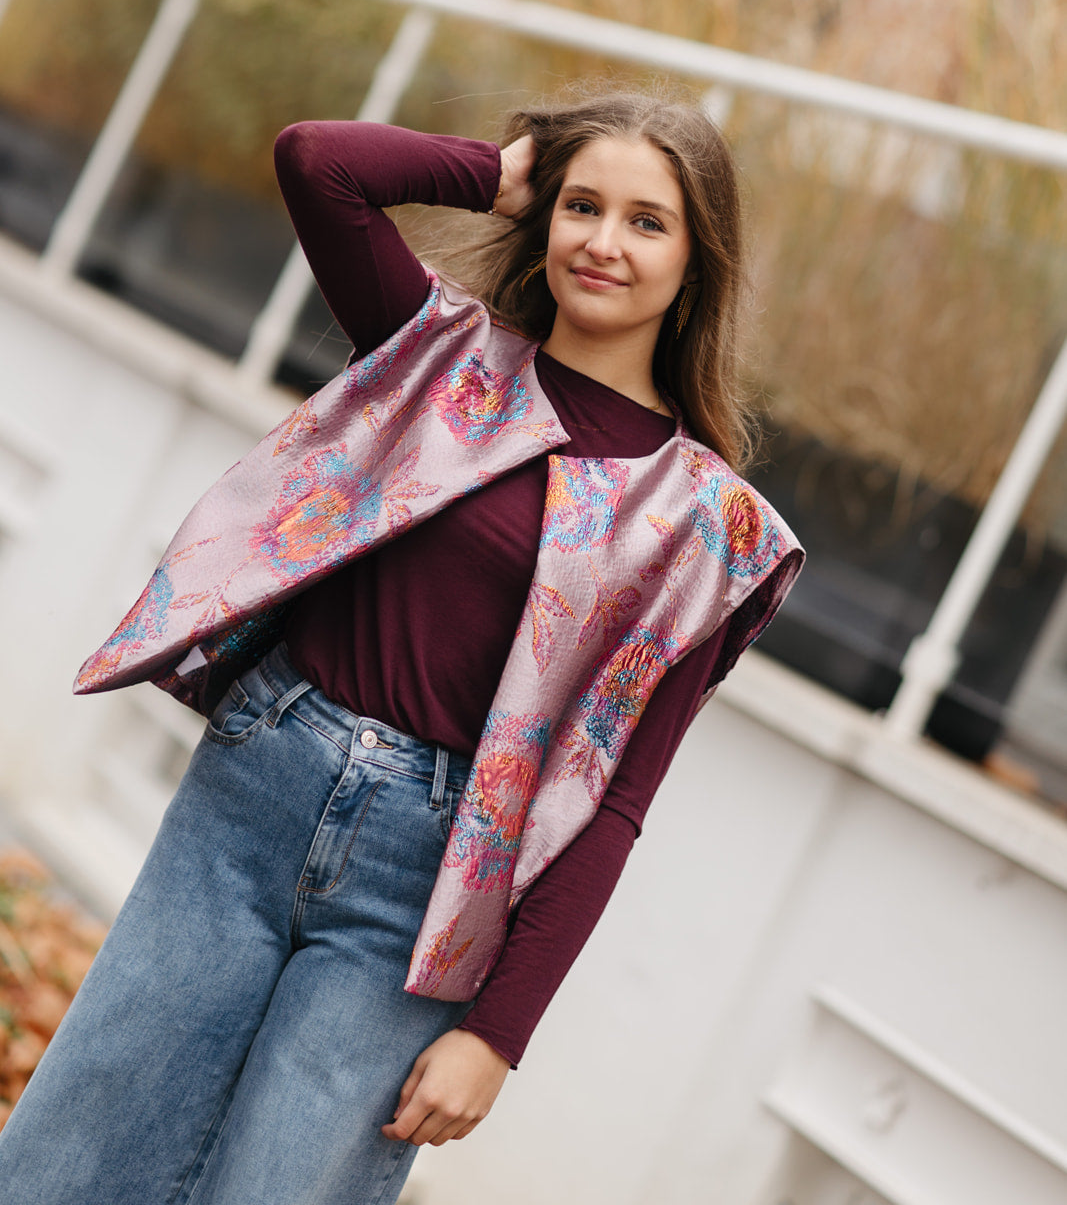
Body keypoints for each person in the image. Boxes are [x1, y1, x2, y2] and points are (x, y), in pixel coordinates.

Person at [0, 92, 802, 1205]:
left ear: (697, 257)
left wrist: (497, 1035)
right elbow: (317, 161)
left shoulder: (710, 530)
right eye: (582, 206)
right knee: (73, 1151)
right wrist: (507, 174)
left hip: (429, 886)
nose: (602, 243)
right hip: (254, 786)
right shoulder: (440, 354)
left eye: (646, 220)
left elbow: (615, 800)